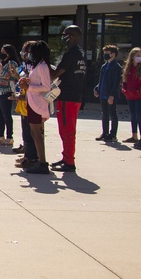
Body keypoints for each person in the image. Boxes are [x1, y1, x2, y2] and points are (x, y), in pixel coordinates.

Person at [51, 25, 86, 172]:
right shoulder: (81, 53)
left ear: (71, 36)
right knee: (66, 129)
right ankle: (66, 157)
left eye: (65, 35)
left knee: (67, 130)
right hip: (75, 96)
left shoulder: (71, 54)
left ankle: (69, 162)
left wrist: (47, 69)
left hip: (67, 97)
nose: (64, 38)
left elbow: (57, 73)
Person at [19, 40, 53, 175]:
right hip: (32, 101)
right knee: (34, 133)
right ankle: (40, 160)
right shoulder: (36, 65)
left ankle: (42, 162)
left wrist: (29, 87)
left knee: (37, 133)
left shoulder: (43, 66)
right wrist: (28, 81)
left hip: (38, 103)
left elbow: (46, 86)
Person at [0, 44, 20, 146]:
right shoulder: (2, 63)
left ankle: (9, 136)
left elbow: (7, 75)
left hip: (6, 91)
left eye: (4, 52)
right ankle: (0, 135)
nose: (2, 54)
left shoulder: (12, 63)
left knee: (6, 114)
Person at [93, 44, 121, 143]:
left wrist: (112, 95)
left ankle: (113, 134)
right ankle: (105, 133)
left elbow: (116, 83)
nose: (105, 55)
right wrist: (97, 89)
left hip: (110, 94)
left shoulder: (116, 67)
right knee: (104, 114)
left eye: (107, 54)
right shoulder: (104, 66)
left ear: (113, 54)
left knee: (113, 114)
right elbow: (101, 80)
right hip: (103, 93)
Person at [121, 47, 141, 143]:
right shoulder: (128, 68)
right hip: (130, 95)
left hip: (139, 96)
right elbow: (125, 80)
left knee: (139, 115)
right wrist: (125, 90)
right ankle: (134, 136)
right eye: (137, 55)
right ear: (132, 56)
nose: (139, 57)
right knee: (133, 116)